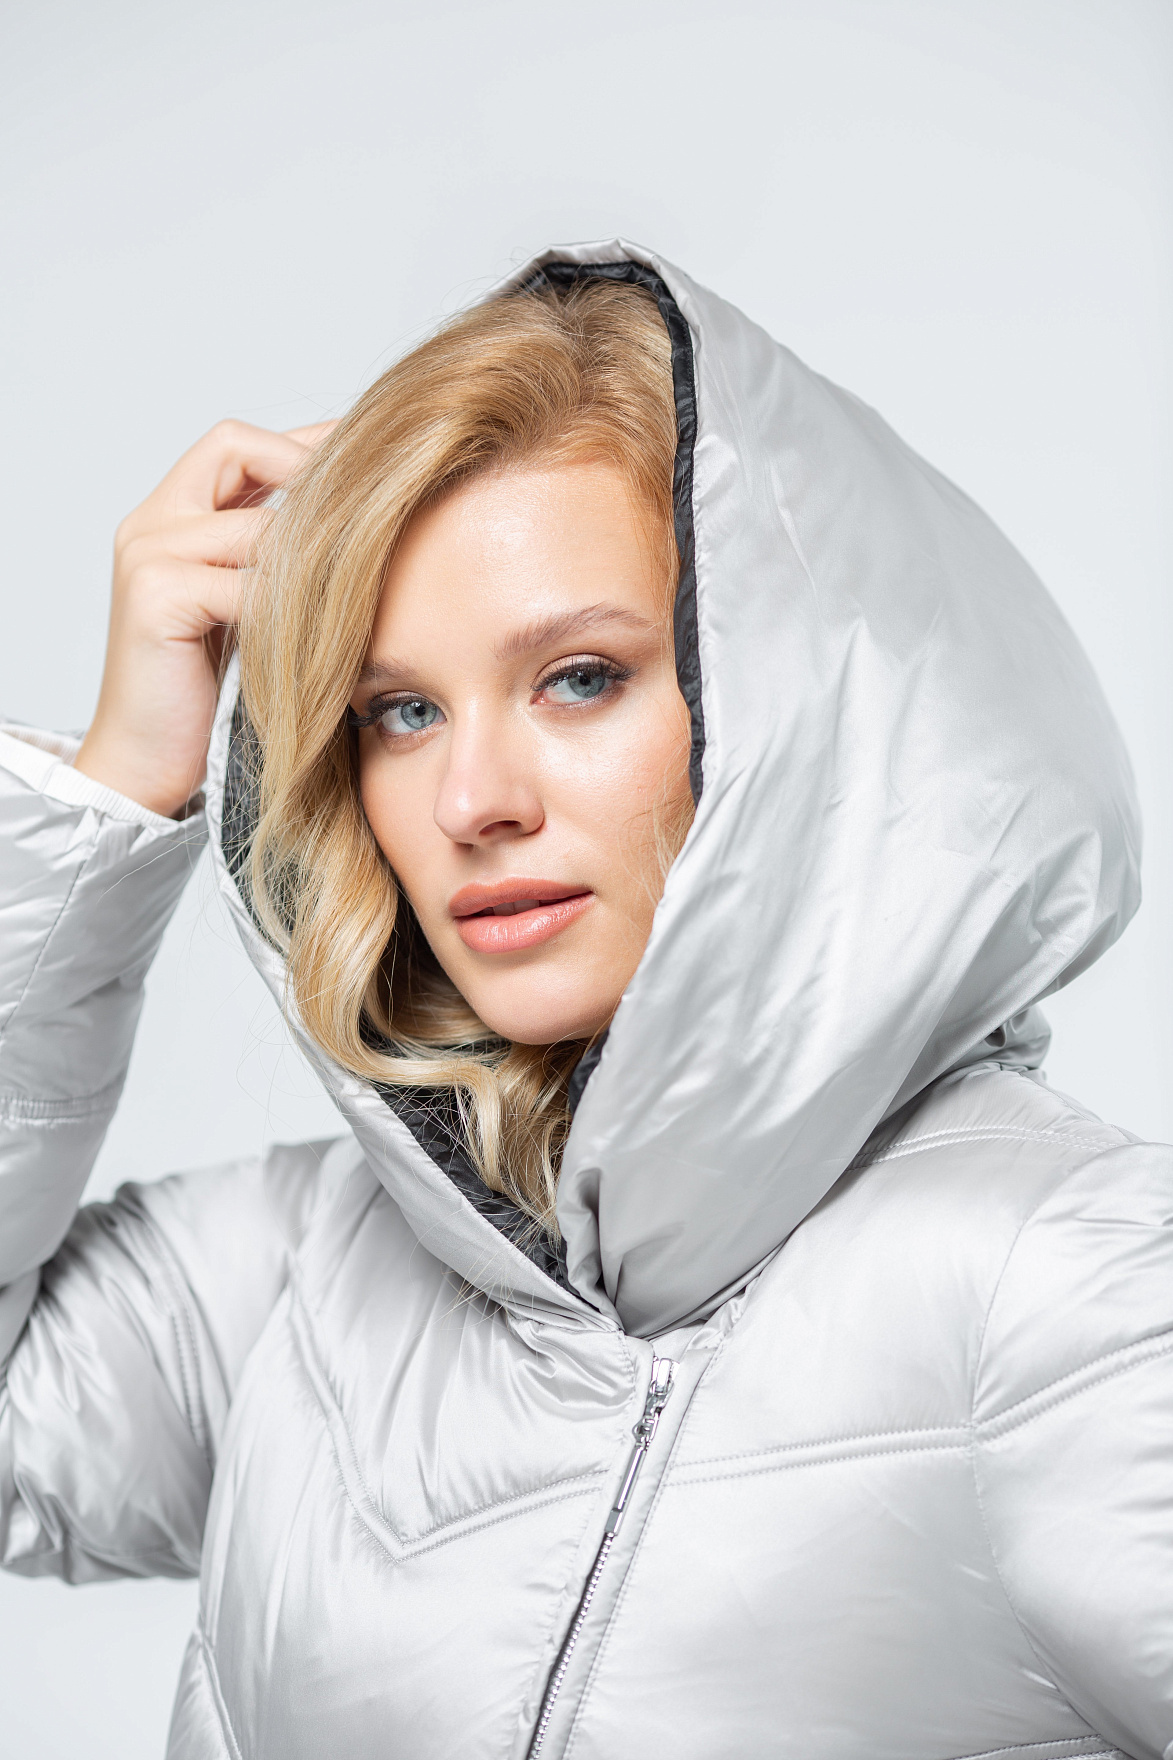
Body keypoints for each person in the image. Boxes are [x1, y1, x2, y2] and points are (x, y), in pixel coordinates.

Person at [0, 242, 1168, 1760]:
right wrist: (116, 790)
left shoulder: (1065, 1283)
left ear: (798, 704)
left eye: (579, 678)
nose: (470, 799)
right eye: (400, 711)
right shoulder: (308, 1267)